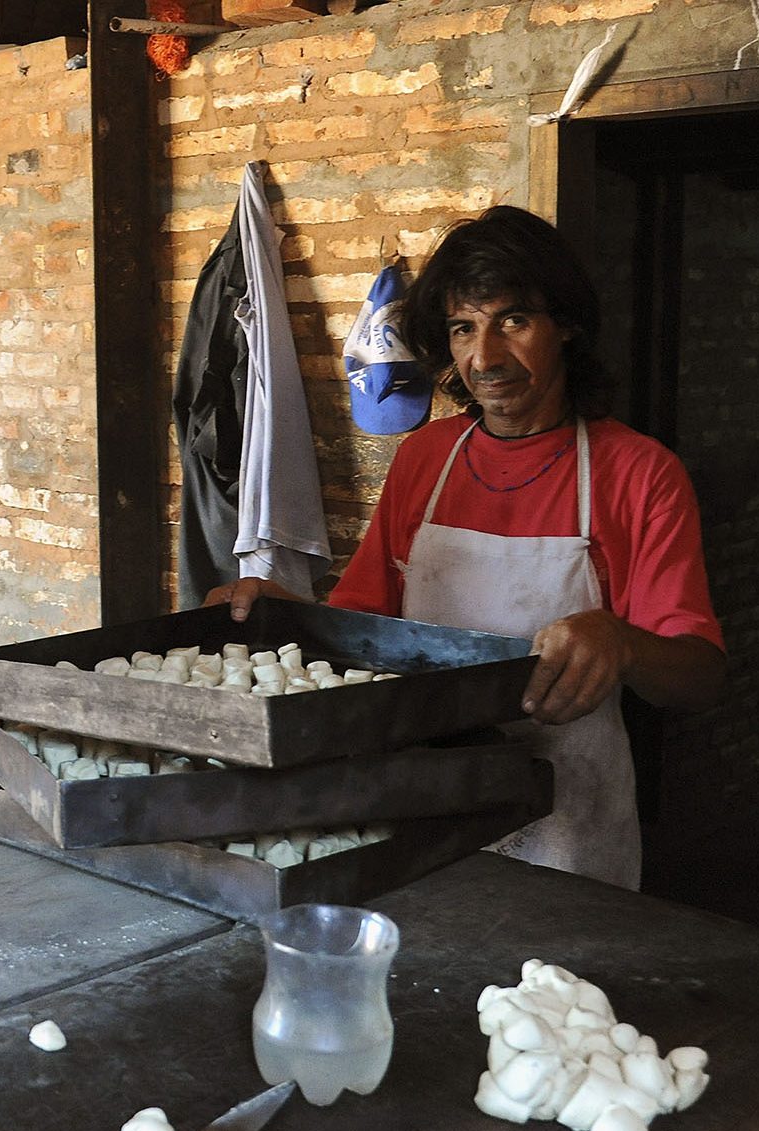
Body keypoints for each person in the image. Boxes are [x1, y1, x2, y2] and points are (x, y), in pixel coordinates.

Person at [210, 206, 725, 889]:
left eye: (513, 320)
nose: (486, 358)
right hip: (422, 809)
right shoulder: (426, 458)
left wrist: (622, 642)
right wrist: (286, 614)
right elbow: (362, 627)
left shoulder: (638, 473)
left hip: (565, 830)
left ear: (565, 325)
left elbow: (700, 678)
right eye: (463, 327)